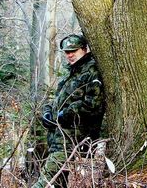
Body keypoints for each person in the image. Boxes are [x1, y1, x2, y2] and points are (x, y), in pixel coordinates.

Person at [32, 34, 105, 188]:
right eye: (66, 52)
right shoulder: (70, 73)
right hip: (57, 140)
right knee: (57, 183)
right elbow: (57, 100)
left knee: (45, 182)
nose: (70, 55)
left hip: (74, 141)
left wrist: (67, 114)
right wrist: (47, 113)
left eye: (74, 50)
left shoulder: (91, 72)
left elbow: (93, 105)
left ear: (84, 50)